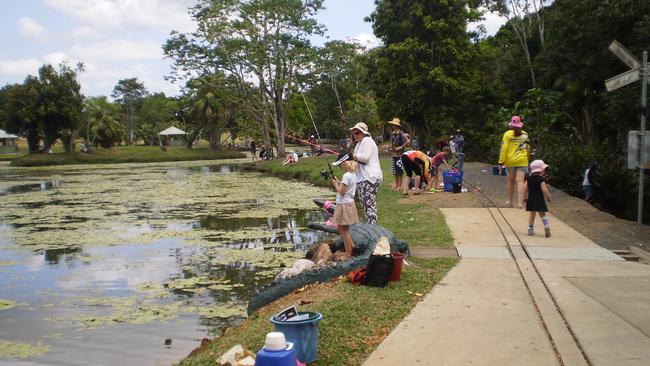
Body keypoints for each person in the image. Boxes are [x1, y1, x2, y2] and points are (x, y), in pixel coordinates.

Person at [350, 122, 383, 225]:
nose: (355, 135)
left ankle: (373, 231)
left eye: (358, 132)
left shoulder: (367, 140)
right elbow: (355, 163)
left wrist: (353, 156)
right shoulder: (359, 144)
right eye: (354, 133)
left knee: (369, 207)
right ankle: (370, 229)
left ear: (364, 133)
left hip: (369, 178)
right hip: (362, 179)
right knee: (365, 207)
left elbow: (365, 158)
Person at [330, 152, 359, 261]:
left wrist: (335, 184)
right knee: (339, 228)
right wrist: (339, 182)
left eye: (339, 164)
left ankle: (348, 254)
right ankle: (351, 246)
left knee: (344, 230)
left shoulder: (347, 175)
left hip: (345, 204)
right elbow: (345, 187)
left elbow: (341, 191)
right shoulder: (351, 174)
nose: (339, 166)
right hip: (346, 203)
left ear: (345, 163)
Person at [498, 116, 531, 208]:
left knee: (510, 181)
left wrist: (501, 162)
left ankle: (510, 202)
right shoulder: (525, 134)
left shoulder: (507, 134)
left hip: (511, 160)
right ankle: (520, 203)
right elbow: (528, 148)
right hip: (522, 160)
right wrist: (528, 159)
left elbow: (504, 149)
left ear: (511, 126)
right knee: (520, 182)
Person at [523, 160, 552, 237]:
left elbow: (525, 188)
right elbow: (544, 189)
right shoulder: (541, 179)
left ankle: (530, 229)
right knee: (543, 215)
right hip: (539, 199)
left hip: (531, 199)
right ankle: (546, 226)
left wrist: (524, 197)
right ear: (541, 170)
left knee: (532, 215)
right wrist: (548, 197)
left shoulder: (528, 178)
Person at [388, 118, 410, 191]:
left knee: (399, 171)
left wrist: (401, 147)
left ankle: (400, 186)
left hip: (400, 155)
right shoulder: (393, 133)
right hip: (394, 154)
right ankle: (397, 185)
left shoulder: (401, 132)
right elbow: (393, 144)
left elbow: (408, 141)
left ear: (397, 125)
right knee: (395, 171)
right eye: (392, 124)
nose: (392, 125)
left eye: (394, 124)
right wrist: (390, 148)